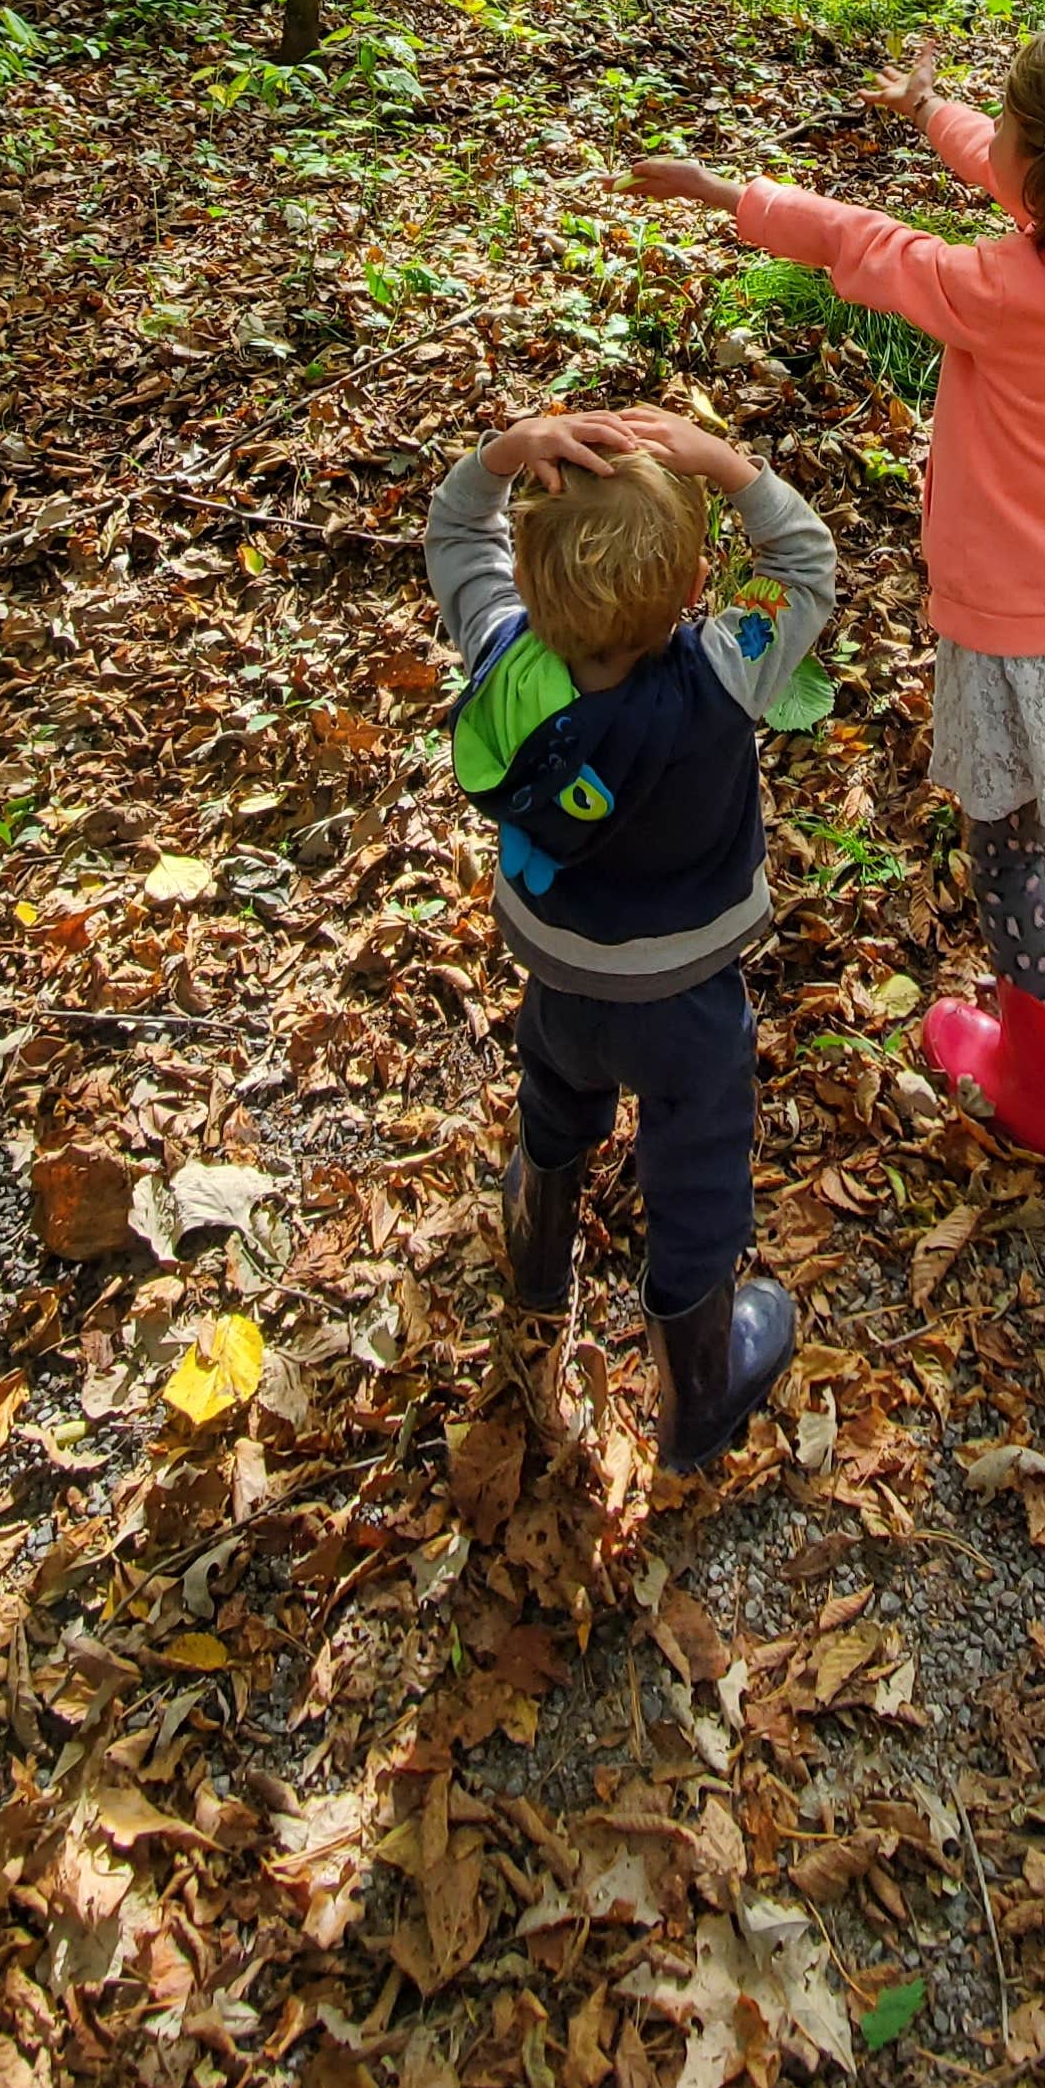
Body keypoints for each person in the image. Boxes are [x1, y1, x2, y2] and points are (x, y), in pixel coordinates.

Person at [632, 31, 1045, 1168]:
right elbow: (1013, 166)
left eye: (1006, 136)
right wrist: (933, 113)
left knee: (1007, 836)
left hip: (1009, 623)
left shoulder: (999, 289)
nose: (995, 151)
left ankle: (1034, 1075)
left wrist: (731, 192)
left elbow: (860, 242)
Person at [425, 401, 836, 1475]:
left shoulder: (503, 651)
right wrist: (729, 468)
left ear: (530, 568)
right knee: (695, 1158)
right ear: (693, 591)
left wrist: (506, 450)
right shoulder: (722, 667)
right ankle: (698, 1383)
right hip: (687, 1000)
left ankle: (537, 1242)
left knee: (556, 1091)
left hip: (560, 972)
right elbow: (804, 564)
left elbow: (453, 533)